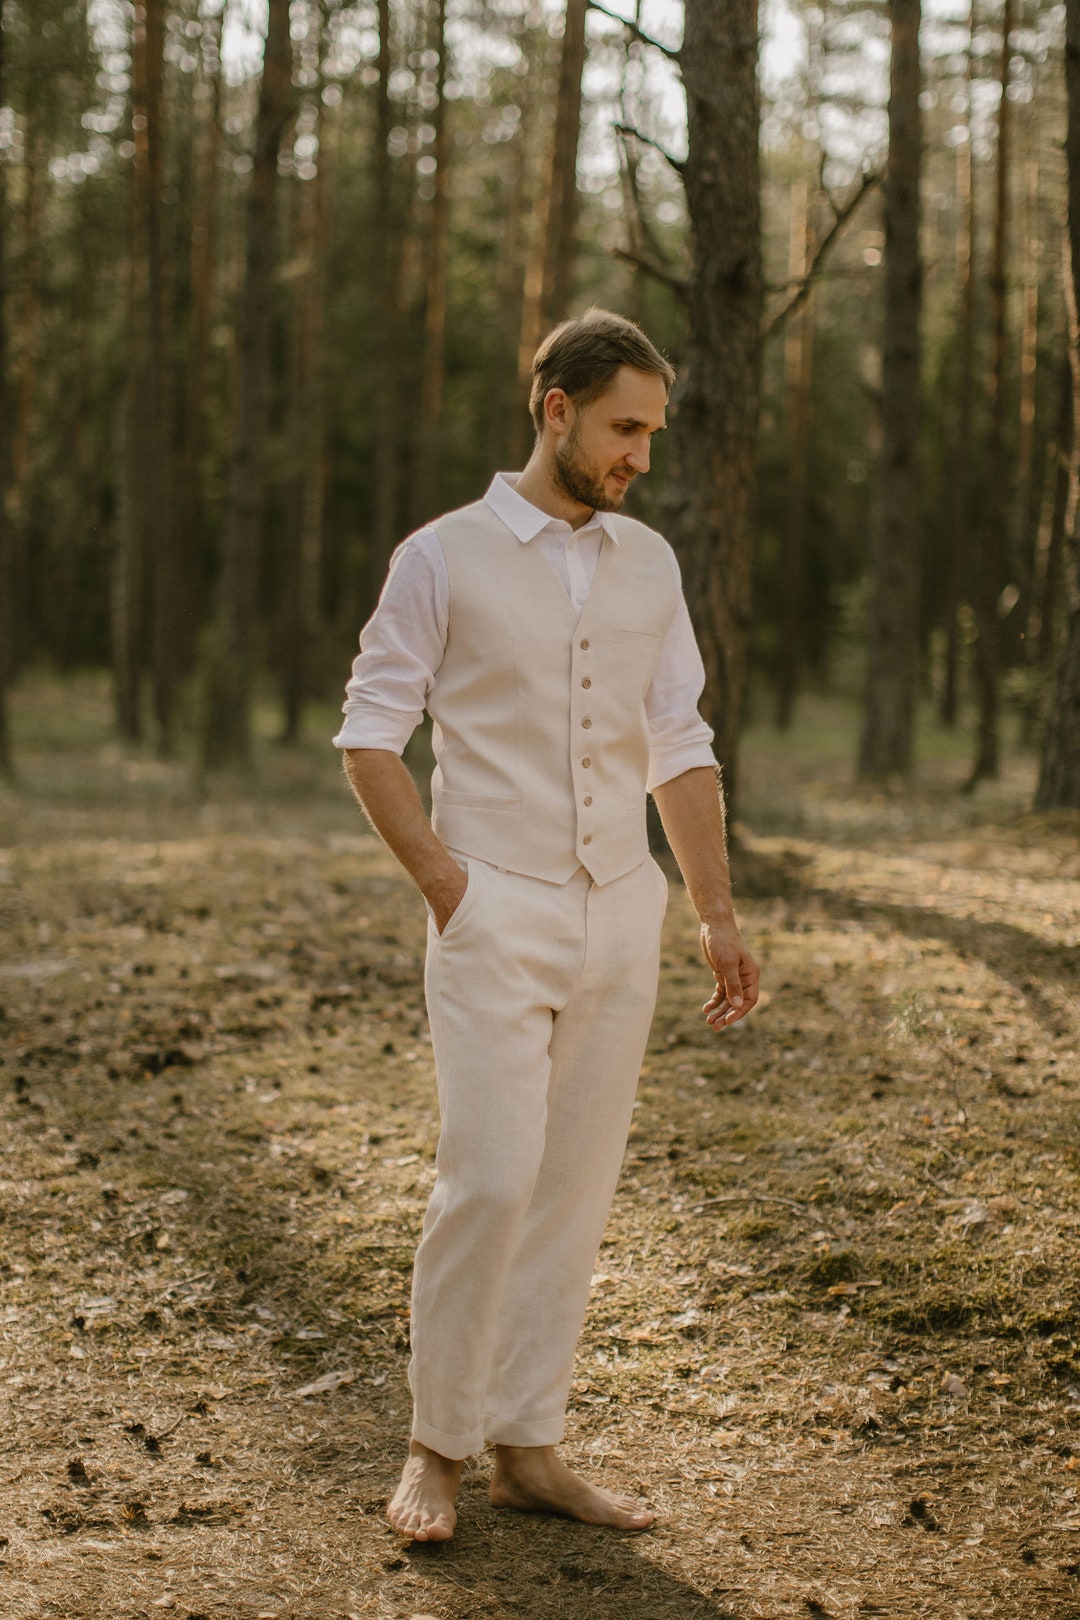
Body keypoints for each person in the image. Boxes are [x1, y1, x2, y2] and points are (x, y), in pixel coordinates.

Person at [334, 309, 759, 1543]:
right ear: (556, 408)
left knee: (573, 1190)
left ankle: (530, 1444)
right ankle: (435, 1446)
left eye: (653, 434)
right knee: (492, 1180)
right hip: (492, 908)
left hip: (624, 913)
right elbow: (372, 733)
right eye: (625, 428)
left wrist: (713, 914)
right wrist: (445, 884)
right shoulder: (443, 555)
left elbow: (678, 743)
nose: (641, 455)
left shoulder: (651, 562)